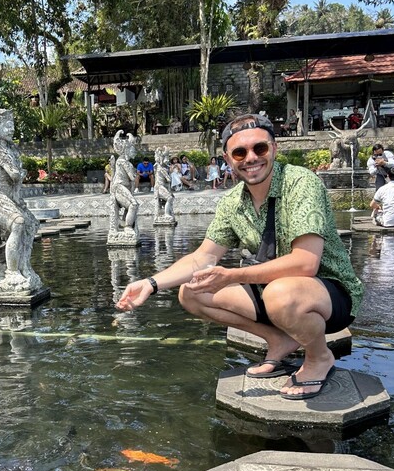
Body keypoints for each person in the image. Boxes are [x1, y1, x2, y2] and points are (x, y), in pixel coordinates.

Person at [116, 113, 363, 399]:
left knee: (281, 294)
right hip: (274, 291)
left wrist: (232, 275)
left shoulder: (300, 182)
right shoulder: (233, 201)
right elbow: (203, 257)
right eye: (240, 152)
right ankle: (278, 340)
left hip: (329, 295)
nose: (251, 158)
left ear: (274, 149)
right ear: (228, 158)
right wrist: (151, 283)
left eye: (260, 148)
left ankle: (319, 356)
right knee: (191, 293)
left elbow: (305, 264)